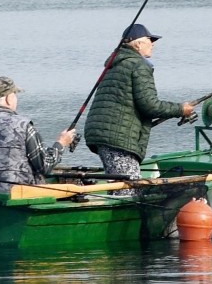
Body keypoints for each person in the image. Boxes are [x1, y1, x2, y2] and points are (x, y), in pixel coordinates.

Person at [83, 23, 195, 183]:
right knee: (128, 187)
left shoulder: (116, 64)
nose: (153, 44)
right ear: (138, 43)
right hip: (117, 138)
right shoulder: (138, 65)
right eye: (150, 39)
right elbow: (150, 105)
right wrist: (180, 109)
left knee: (119, 184)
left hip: (104, 134)